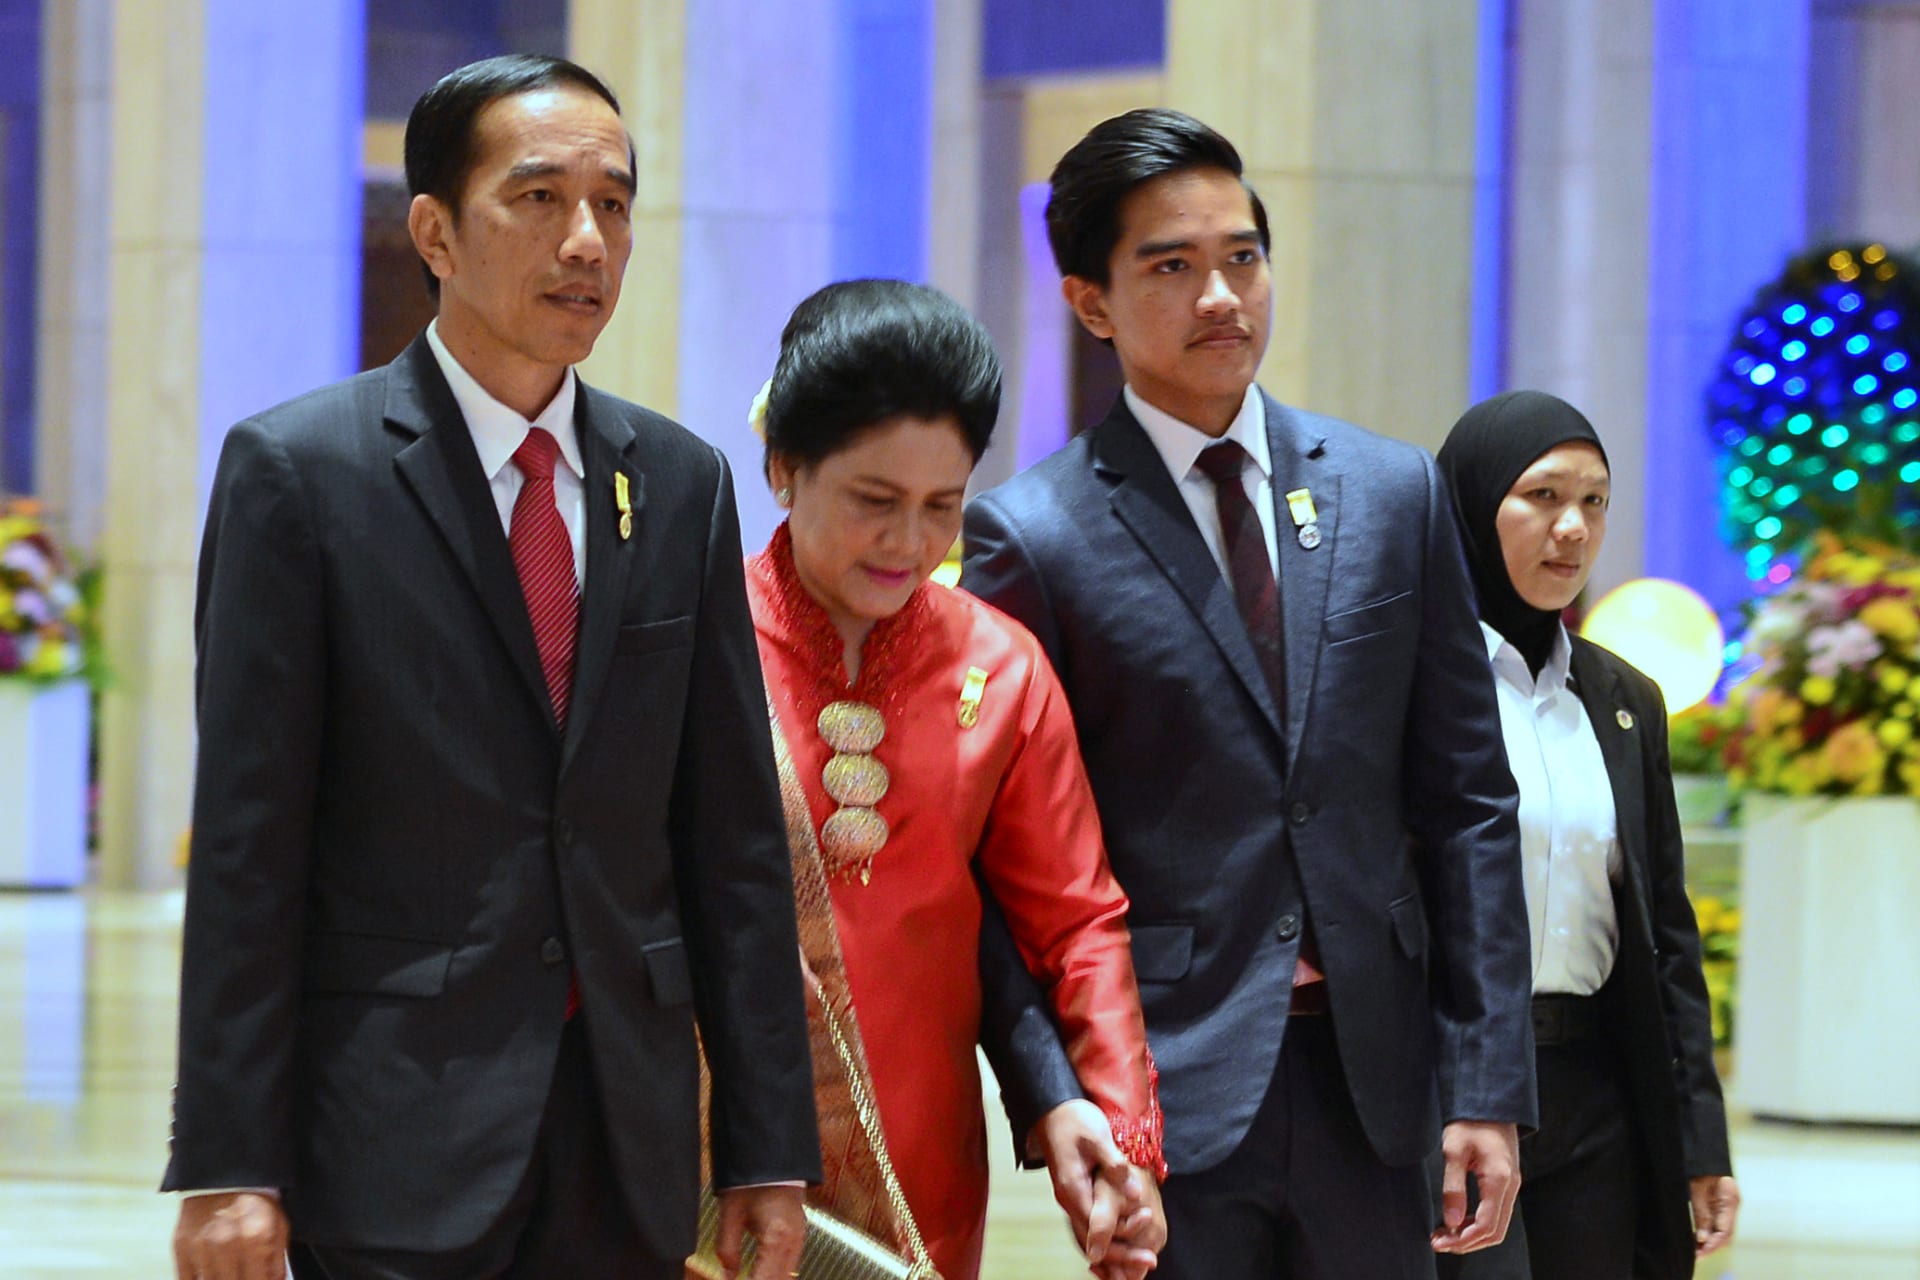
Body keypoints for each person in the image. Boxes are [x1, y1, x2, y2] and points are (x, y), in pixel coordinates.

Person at [163, 55, 819, 1280]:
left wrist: (765, 1147)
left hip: (625, 1134)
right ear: (435, 231)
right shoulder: (302, 475)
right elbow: (252, 845)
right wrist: (227, 1160)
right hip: (391, 1134)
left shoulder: (677, 485)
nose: (588, 241)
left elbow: (731, 838)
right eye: (540, 198)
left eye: (614, 204)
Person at [962, 107, 1538, 1279]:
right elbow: (1001, 863)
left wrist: (1485, 1082)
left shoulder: (1394, 493)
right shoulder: (1031, 533)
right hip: (1165, 1086)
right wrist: (1057, 1097)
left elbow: (1469, 801)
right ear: (1090, 301)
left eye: (1242, 256)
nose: (1222, 295)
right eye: (1172, 267)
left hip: (1380, 1084)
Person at [745, 278, 1168, 1280]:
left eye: (943, 506)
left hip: (916, 1170)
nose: (909, 543)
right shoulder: (692, 642)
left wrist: (1118, 1130)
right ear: (782, 468)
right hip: (708, 1157)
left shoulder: (1002, 668)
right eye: (874, 502)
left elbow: (1076, 921)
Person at [1433, 390, 1739, 1280]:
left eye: (1594, 501)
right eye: (1543, 496)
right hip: (1456, 1090)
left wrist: (1699, 1138)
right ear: (1473, 500)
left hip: (1599, 1085)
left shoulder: (1623, 699)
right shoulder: (1418, 683)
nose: (1572, 528)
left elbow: (1665, 938)